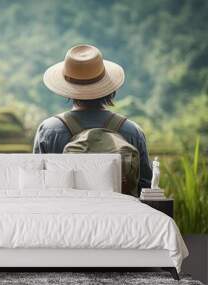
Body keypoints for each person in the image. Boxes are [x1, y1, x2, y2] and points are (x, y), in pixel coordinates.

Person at [33, 44, 152, 192]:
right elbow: (146, 187)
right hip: (119, 213)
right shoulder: (132, 131)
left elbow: (38, 185)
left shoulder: (49, 130)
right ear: (109, 88)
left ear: (68, 88)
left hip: (68, 213)